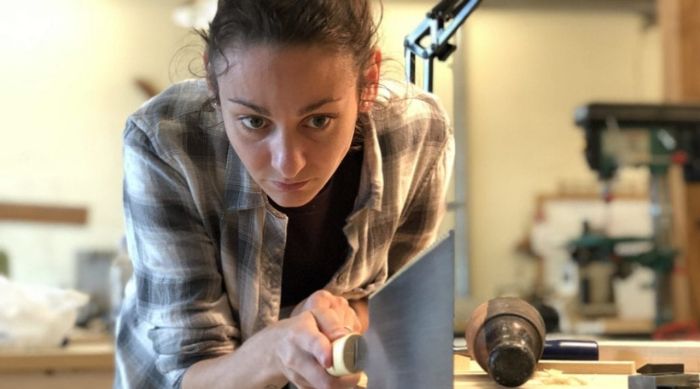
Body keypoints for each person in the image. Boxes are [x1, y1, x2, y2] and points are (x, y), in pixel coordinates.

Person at [114, 0, 454, 388]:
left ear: (369, 81)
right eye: (254, 122)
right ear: (212, 78)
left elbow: (390, 303)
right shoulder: (166, 140)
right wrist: (274, 352)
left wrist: (336, 322)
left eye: (319, 120)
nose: (288, 164)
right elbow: (189, 368)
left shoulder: (417, 136)